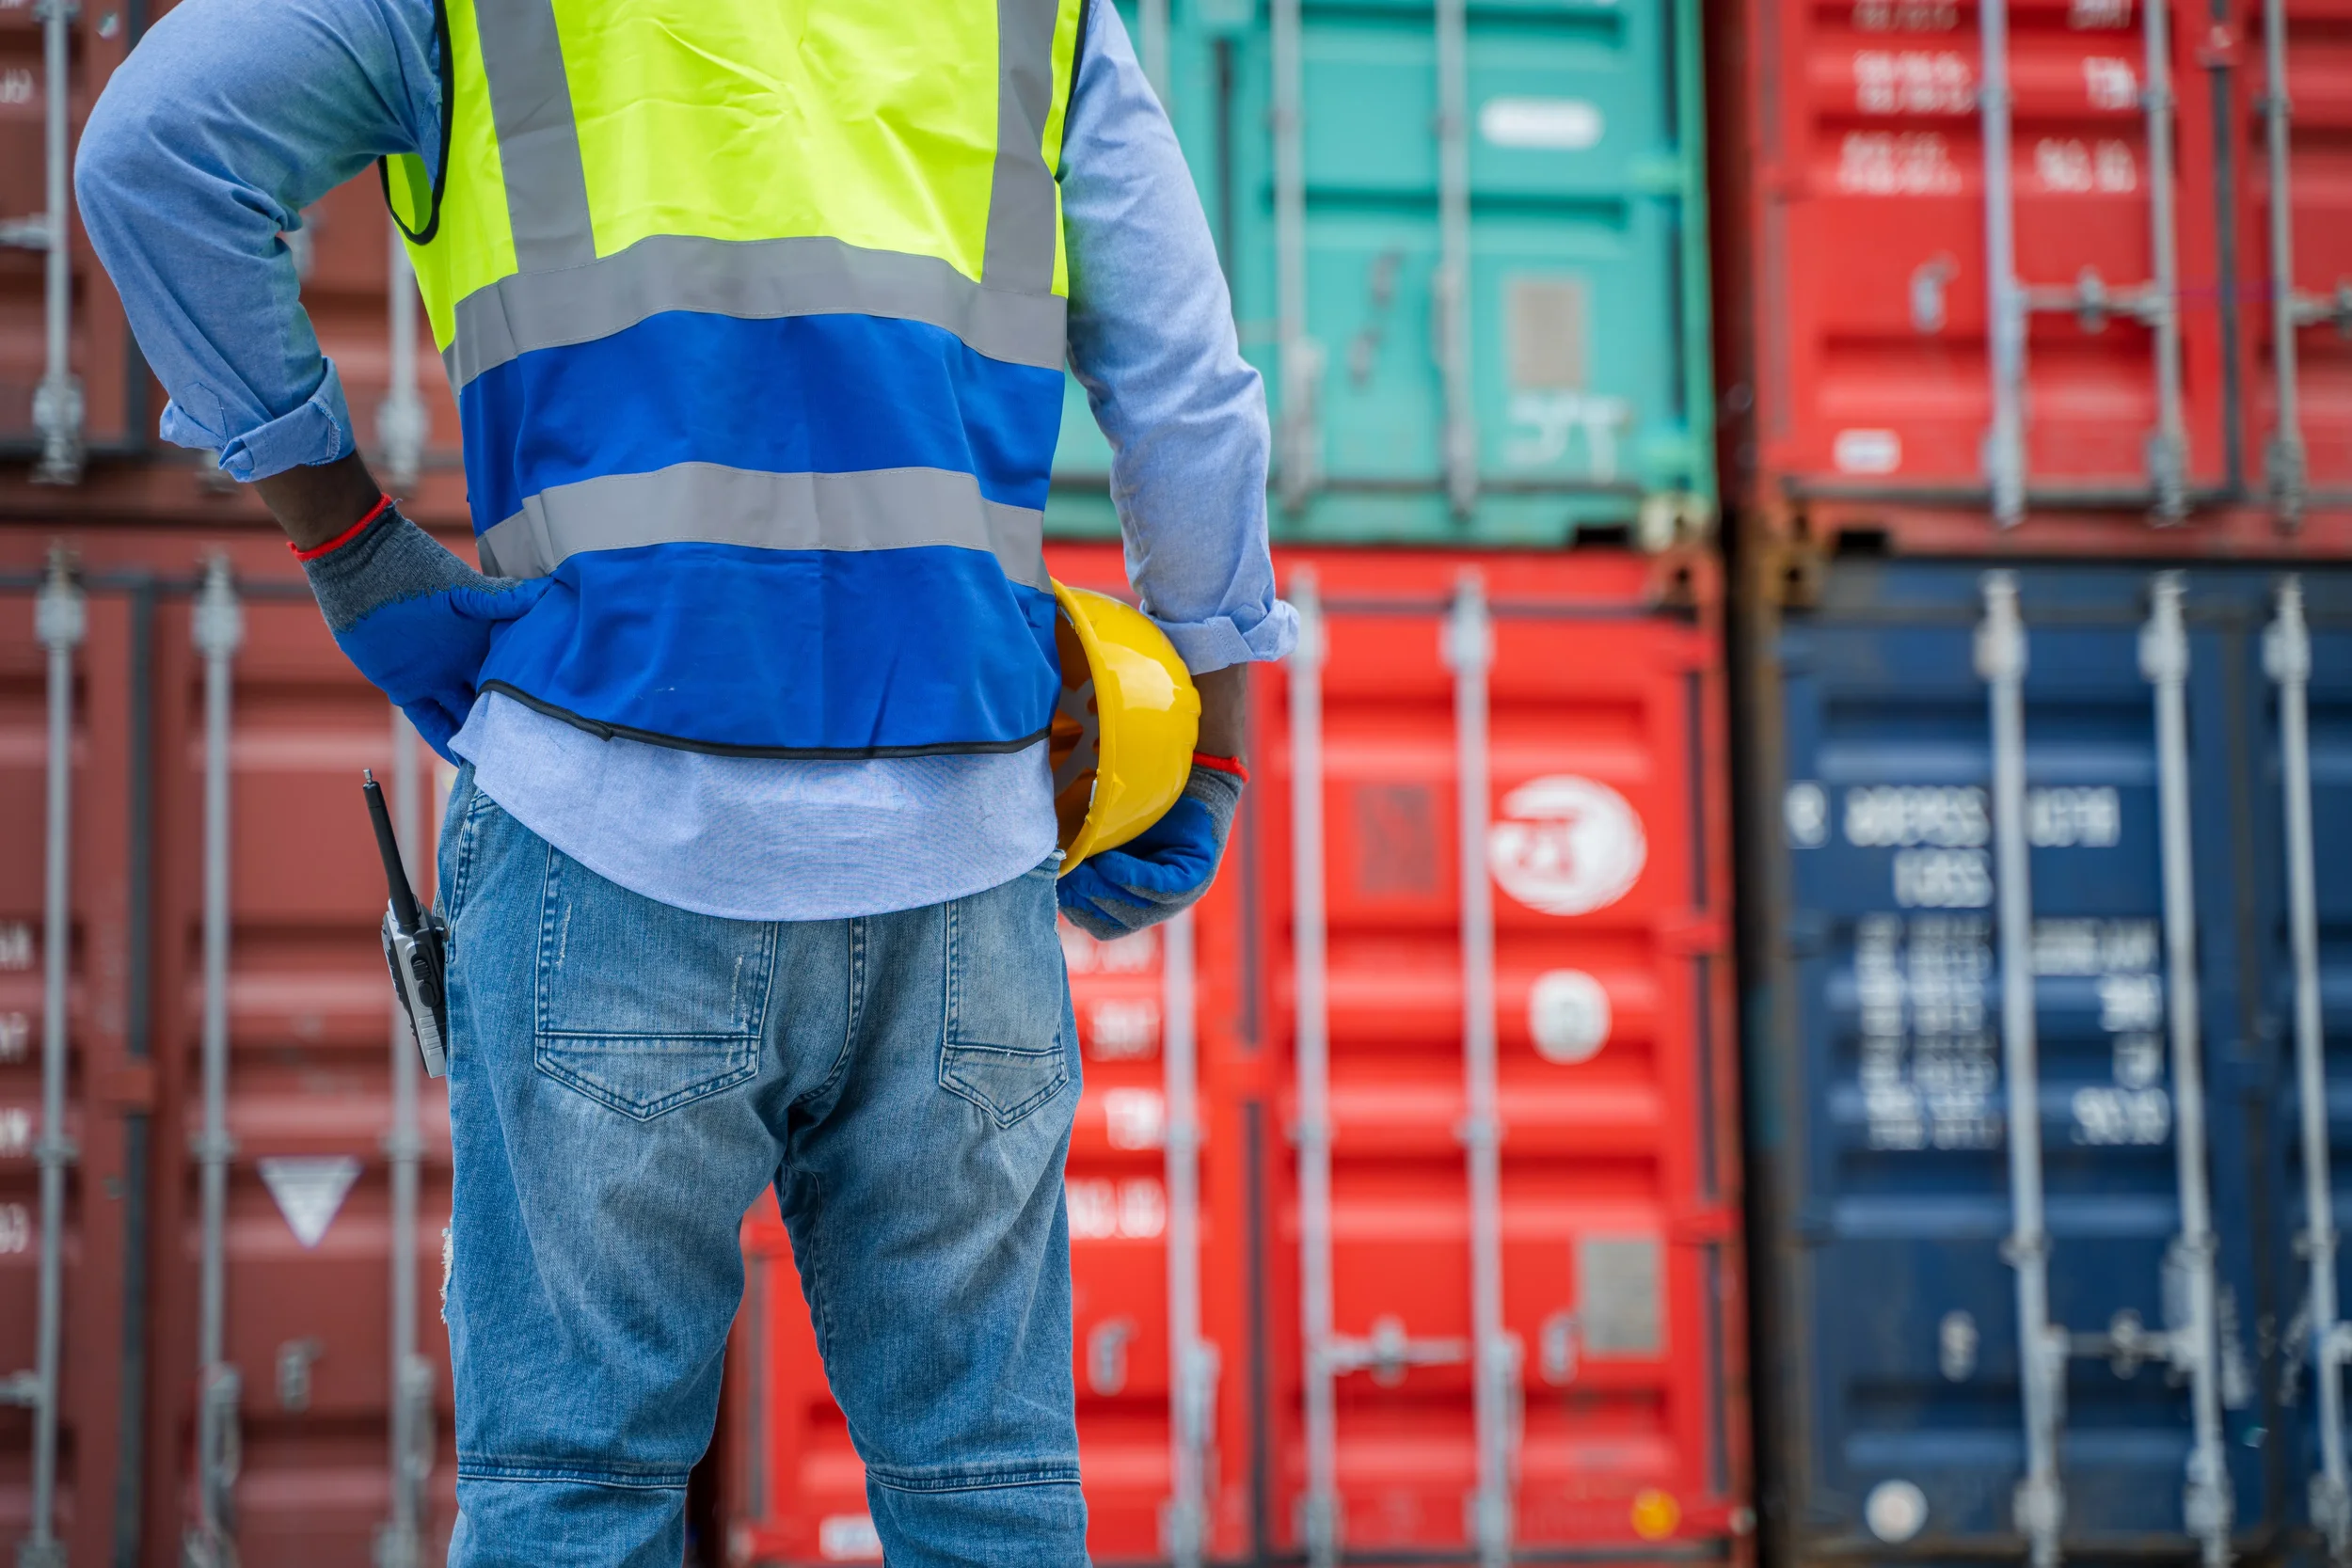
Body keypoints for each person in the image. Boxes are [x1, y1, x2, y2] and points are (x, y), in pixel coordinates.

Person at [75, 0, 1294, 1560]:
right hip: (963, 864)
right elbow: (1187, 381)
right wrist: (1213, 754)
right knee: (984, 1480)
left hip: (605, 824)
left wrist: (351, 544)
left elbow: (155, 150)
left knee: (572, 1490)